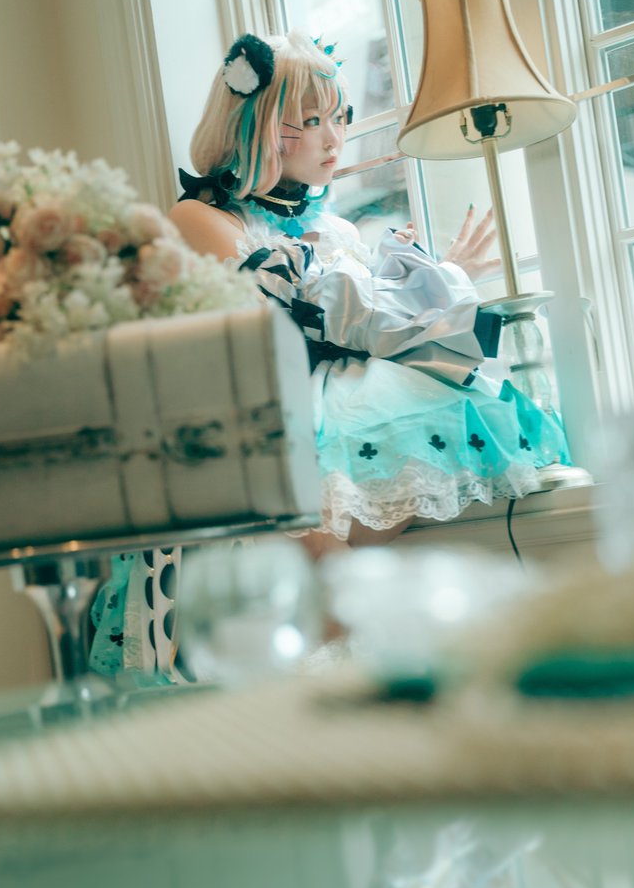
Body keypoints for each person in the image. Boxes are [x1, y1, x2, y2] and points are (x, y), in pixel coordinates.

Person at [169, 31, 571, 556]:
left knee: (350, 569)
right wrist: (423, 285)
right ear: (254, 124)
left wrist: (435, 281)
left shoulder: (338, 230)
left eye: (340, 117)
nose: (334, 139)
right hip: (257, 423)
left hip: (344, 411)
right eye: (311, 121)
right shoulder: (199, 217)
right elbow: (306, 316)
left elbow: (370, 323)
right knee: (326, 564)